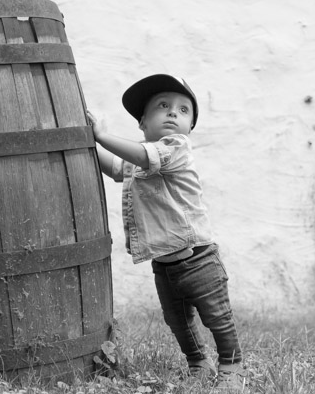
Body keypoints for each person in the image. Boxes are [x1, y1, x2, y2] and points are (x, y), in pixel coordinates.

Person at [87, 74, 246, 390]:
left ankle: (232, 365)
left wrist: (102, 135)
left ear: (189, 129)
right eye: (163, 106)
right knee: (177, 321)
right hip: (164, 262)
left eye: (184, 110)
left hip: (199, 258)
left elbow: (142, 155)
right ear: (143, 123)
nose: (174, 112)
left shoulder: (176, 148)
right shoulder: (140, 159)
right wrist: (89, 143)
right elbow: (118, 169)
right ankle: (198, 362)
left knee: (216, 317)